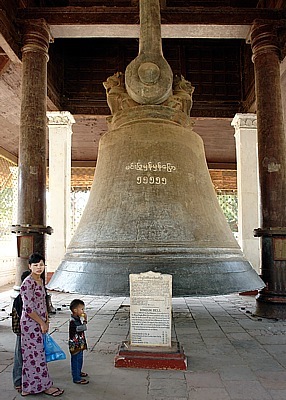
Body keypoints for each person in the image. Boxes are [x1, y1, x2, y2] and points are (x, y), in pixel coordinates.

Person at [20, 252, 64, 397]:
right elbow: (29, 309)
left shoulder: (40, 280)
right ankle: (45, 386)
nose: (39, 267)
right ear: (29, 266)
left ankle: (28, 387)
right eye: (36, 265)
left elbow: (42, 303)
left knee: (34, 355)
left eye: (41, 265)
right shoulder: (28, 283)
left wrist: (46, 321)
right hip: (30, 324)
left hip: (40, 323)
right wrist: (42, 323)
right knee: (35, 356)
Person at [11, 270, 31, 393]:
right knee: (20, 356)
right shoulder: (19, 300)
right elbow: (17, 318)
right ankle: (18, 381)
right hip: (22, 332)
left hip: (32, 332)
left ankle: (29, 379)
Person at [69, 299, 89, 384]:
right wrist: (85, 321)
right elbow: (81, 328)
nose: (83, 311)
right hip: (75, 345)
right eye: (82, 309)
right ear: (75, 310)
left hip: (79, 344)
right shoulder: (73, 321)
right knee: (76, 360)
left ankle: (78, 372)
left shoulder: (77, 318)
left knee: (79, 359)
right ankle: (76, 377)